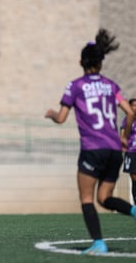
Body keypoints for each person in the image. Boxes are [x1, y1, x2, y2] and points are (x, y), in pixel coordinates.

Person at [45, 29, 136, 255]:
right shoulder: (111, 85)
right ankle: (134, 211)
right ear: (100, 63)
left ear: (81, 62)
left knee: (87, 198)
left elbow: (62, 117)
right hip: (114, 149)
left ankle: (98, 243)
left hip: (92, 149)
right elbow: (129, 112)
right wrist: (123, 137)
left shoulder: (75, 86)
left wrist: (52, 115)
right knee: (104, 198)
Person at [121, 98, 136, 204]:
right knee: (134, 178)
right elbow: (122, 136)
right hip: (131, 152)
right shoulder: (126, 120)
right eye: (133, 105)